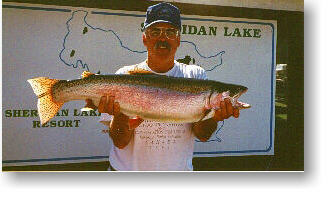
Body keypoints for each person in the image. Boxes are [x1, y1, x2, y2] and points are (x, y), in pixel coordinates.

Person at [86, 2, 239, 171]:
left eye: (170, 32)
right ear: (145, 38)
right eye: (155, 31)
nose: (163, 38)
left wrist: (214, 116)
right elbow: (120, 142)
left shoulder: (195, 76)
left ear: (179, 39)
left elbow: (203, 135)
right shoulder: (125, 75)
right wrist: (121, 113)